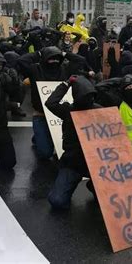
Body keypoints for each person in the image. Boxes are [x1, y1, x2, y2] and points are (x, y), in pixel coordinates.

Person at [46, 76, 100, 210]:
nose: (89, 100)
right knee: (57, 201)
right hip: (73, 163)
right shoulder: (68, 111)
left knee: (109, 200)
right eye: (85, 97)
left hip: (95, 164)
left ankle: (95, 186)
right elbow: (51, 103)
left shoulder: (100, 110)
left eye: (91, 96)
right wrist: (65, 84)